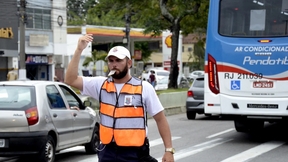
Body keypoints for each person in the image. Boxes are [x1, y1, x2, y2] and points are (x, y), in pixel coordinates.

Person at [65, 34, 175, 162]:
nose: (114, 64)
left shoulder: (143, 87)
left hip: (135, 153)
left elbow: (160, 119)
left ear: (129, 63)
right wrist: (79, 50)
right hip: (108, 152)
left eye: (118, 60)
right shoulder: (101, 85)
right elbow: (70, 80)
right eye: (111, 61)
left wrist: (168, 150)